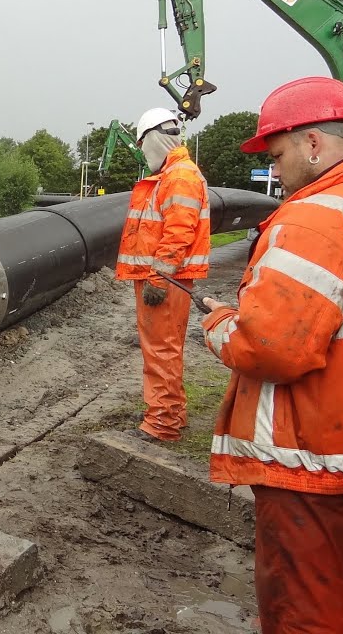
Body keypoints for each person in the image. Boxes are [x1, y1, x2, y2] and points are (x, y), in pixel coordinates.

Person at [199, 76, 343, 633]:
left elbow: (270, 346)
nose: (274, 172)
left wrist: (218, 324)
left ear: (311, 143)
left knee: (303, 610)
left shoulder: (319, 217)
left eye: (276, 156)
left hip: (312, 456)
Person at [116, 107, 211, 442]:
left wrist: (157, 279)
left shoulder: (178, 177)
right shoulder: (175, 174)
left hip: (165, 281)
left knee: (161, 351)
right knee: (165, 348)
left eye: (143, 145)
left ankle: (162, 424)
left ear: (154, 139)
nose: (143, 153)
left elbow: (178, 232)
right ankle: (173, 414)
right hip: (165, 278)